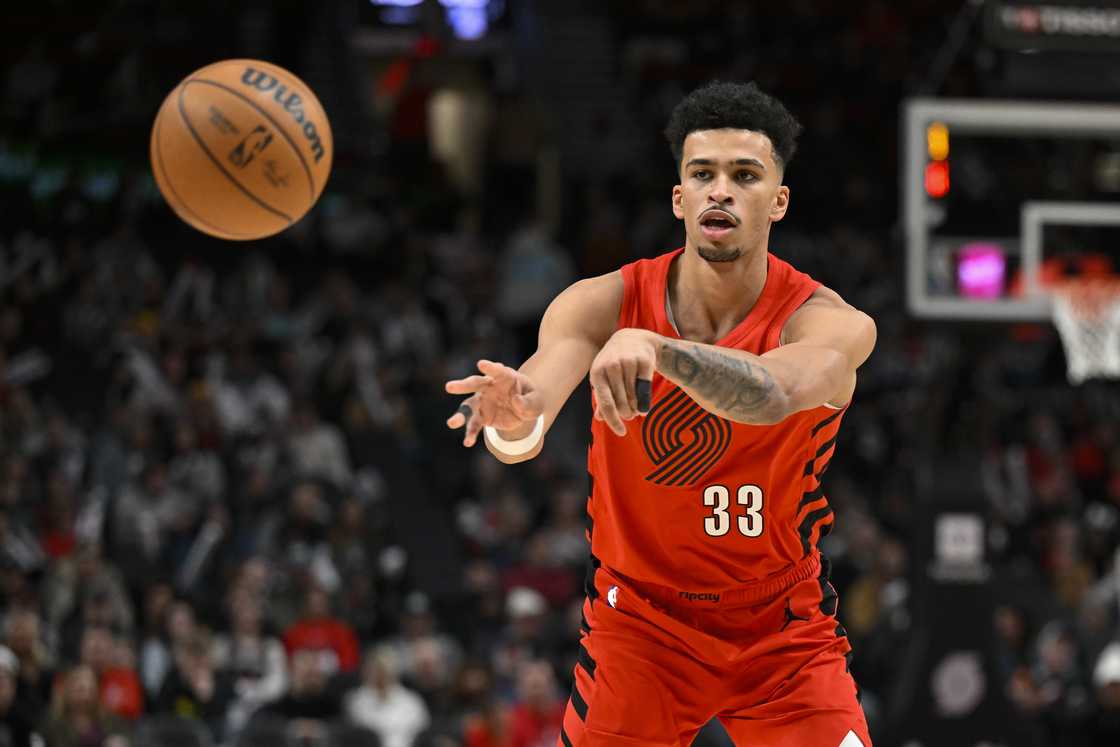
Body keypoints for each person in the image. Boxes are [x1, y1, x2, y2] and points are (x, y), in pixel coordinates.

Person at [446, 80, 876, 747]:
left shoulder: (828, 322)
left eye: (745, 175)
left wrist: (659, 349)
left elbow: (772, 393)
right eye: (702, 174)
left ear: (778, 201)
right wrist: (512, 419)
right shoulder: (598, 303)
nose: (720, 191)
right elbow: (529, 417)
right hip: (641, 623)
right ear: (679, 198)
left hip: (780, 626)